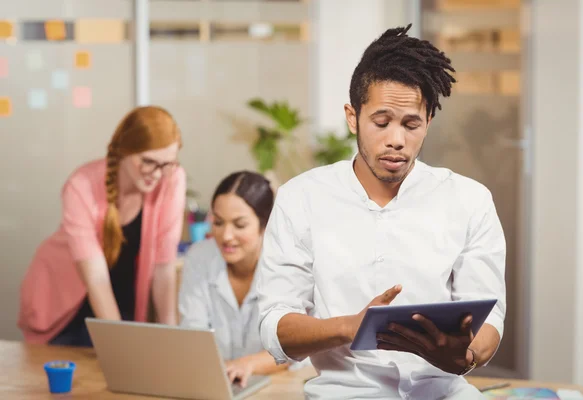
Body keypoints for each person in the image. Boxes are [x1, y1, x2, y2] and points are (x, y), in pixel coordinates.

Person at [256, 24, 506, 399]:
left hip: (442, 391)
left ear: (428, 124)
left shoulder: (469, 200)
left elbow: (491, 317)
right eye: (381, 122)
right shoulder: (301, 199)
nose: (396, 139)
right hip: (345, 393)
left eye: (411, 124)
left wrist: (464, 356)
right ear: (353, 116)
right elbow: (275, 325)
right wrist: (349, 327)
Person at [18, 106, 186, 346]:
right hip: (65, 308)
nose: (157, 174)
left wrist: (174, 340)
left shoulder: (172, 179)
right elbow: (95, 278)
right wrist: (120, 345)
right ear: (125, 150)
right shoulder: (81, 185)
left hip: (120, 304)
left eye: (167, 164)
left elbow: (163, 269)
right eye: (148, 162)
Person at [178, 171, 287, 387]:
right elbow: (193, 336)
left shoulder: (285, 265)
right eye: (218, 222)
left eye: (239, 225)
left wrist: (248, 364)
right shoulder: (199, 258)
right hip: (217, 384)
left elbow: (293, 347)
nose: (226, 235)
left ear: (264, 225)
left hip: (280, 384)